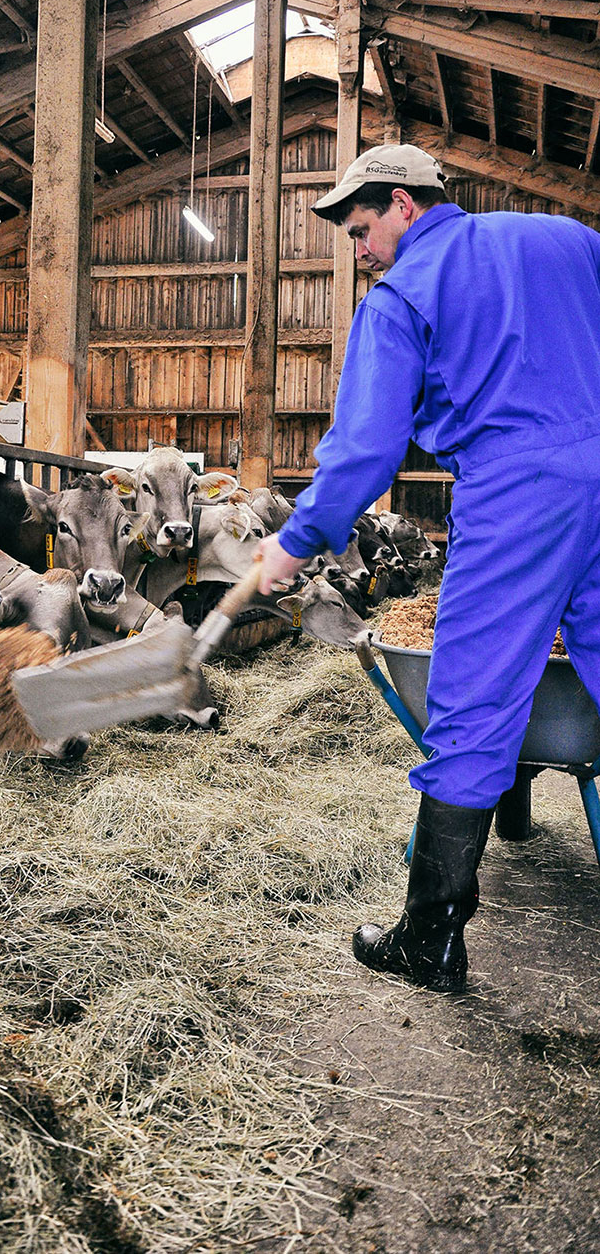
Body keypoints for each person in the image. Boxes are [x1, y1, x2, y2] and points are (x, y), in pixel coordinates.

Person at [255, 142, 600, 992]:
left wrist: (295, 541)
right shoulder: (565, 239)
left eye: (362, 230)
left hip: (517, 496)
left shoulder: (402, 295)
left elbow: (366, 448)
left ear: (404, 204)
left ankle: (430, 939)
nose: (360, 252)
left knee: (472, 701)